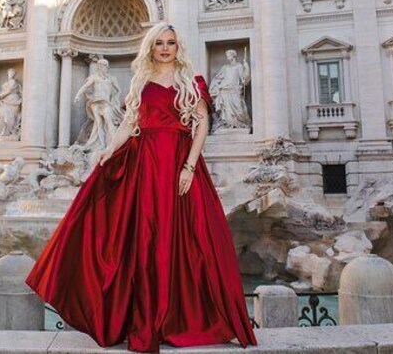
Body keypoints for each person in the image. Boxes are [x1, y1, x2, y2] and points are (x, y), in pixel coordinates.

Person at [26, 23, 256, 353]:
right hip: (143, 163)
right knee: (143, 240)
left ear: (178, 47)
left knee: (189, 241)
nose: (165, 48)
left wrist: (189, 166)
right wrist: (108, 149)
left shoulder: (192, 81)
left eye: (171, 43)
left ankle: (178, 318)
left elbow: (202, 123)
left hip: (178, 163)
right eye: (159, 43)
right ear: (151, 47)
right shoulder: (141, 81)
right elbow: (129, 123)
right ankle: (144, 319)